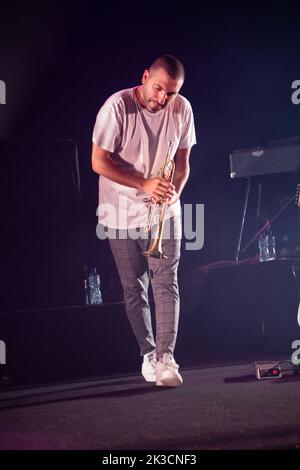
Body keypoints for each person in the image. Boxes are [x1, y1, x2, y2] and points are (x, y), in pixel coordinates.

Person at [91, 55, 196, 386]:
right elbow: (98, 162)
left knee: (166, 283)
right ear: (145, 76)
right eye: (158, 88)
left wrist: (174, 193)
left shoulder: (182, 109)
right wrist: (144, 184)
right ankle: (148, 354)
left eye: (171, 92)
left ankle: (167, 359)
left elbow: (183, 163)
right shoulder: (117, 107)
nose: (163, 98)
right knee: (133, 288)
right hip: (119, 212)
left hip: (163, 213)